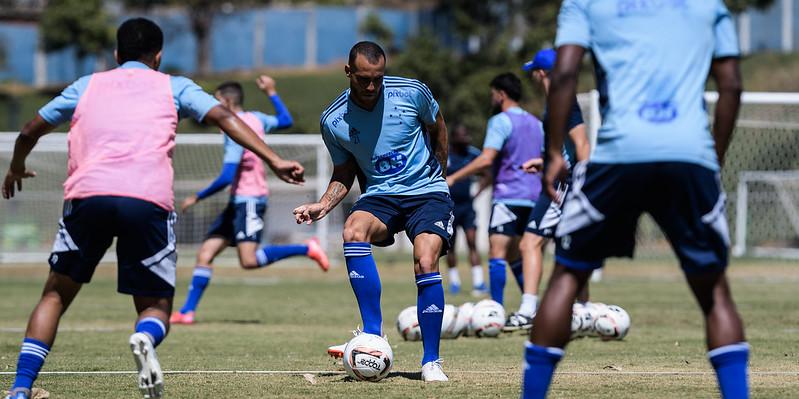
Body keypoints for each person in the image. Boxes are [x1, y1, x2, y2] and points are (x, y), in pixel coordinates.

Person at [1, 18, 304, 399]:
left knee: (54, 297)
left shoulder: (87, 85)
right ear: (158, 56)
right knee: (156, 306)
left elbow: (30, 130)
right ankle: (144, 336)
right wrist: (274, 160)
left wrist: (14, 168)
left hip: (87, 198)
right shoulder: (173, 86)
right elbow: (225, 117)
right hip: (146, 202)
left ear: (116, 54)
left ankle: (19, 389)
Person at [522, 2, 746, 398]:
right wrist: (715, 156)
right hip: (688, 156)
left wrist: (555, 152)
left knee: (568, 276)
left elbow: (565, 73)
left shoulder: (587, 3)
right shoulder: (708, 4)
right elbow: (730, 85)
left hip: (618, 156)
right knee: (715, 293)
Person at [292, 41, 452, 382]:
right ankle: (372, 335)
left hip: (426, 192)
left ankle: (431, 361)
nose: (371, 86)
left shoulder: (413, 93)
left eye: (378, 78)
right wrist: (323, 204)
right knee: (352, 230)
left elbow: (438, 125)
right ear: (348, 72)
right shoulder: (334, 120)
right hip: (381, 195)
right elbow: (344, 173)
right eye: (363, 79)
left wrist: (439, 173)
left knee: (425, 259)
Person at [170, 77, 329, 325]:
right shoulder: (257, 118)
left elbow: (225, 177)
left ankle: (307, 248)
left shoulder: (233, 129)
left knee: (249, 261)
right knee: (206, 253)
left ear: (226, 101)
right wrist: (272, 93)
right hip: (237, 202)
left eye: (216, 100)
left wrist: (196, 197)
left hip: (250, 200)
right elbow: (286, 121)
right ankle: (187, 312)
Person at [502, 48, 592, 332]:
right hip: (562, 180)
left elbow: (582, 145)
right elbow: (565, 149)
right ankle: (583, 312)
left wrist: (580, 182)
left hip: (565, 186)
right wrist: (542, 162)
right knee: (571, 247)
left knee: (530, 243)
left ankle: (529, 310)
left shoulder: (562, 100)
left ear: (540, 73)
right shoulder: (557, 100)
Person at [446, 73, 544, 315]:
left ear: (501, 95)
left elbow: (487, 158)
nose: (492, 99)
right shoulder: (536, 123)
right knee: (516, 253)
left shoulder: (500, 121)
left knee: (497, 252)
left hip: (508, 196)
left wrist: (455, 177)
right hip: (534, 197)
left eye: (492, 95)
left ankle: (496, 310)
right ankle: (531, 307)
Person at [445, 124, 488, 296]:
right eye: (462, 136)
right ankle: (454, 282)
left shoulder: (473, 154)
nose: (466, 139)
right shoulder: (444, 153)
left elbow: (488, 173)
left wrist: (477, 192)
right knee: (451, 246)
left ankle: (479, 283)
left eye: (467, 136)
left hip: (467, 207)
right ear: (454, 138)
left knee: (472, 243)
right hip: (449, 207)